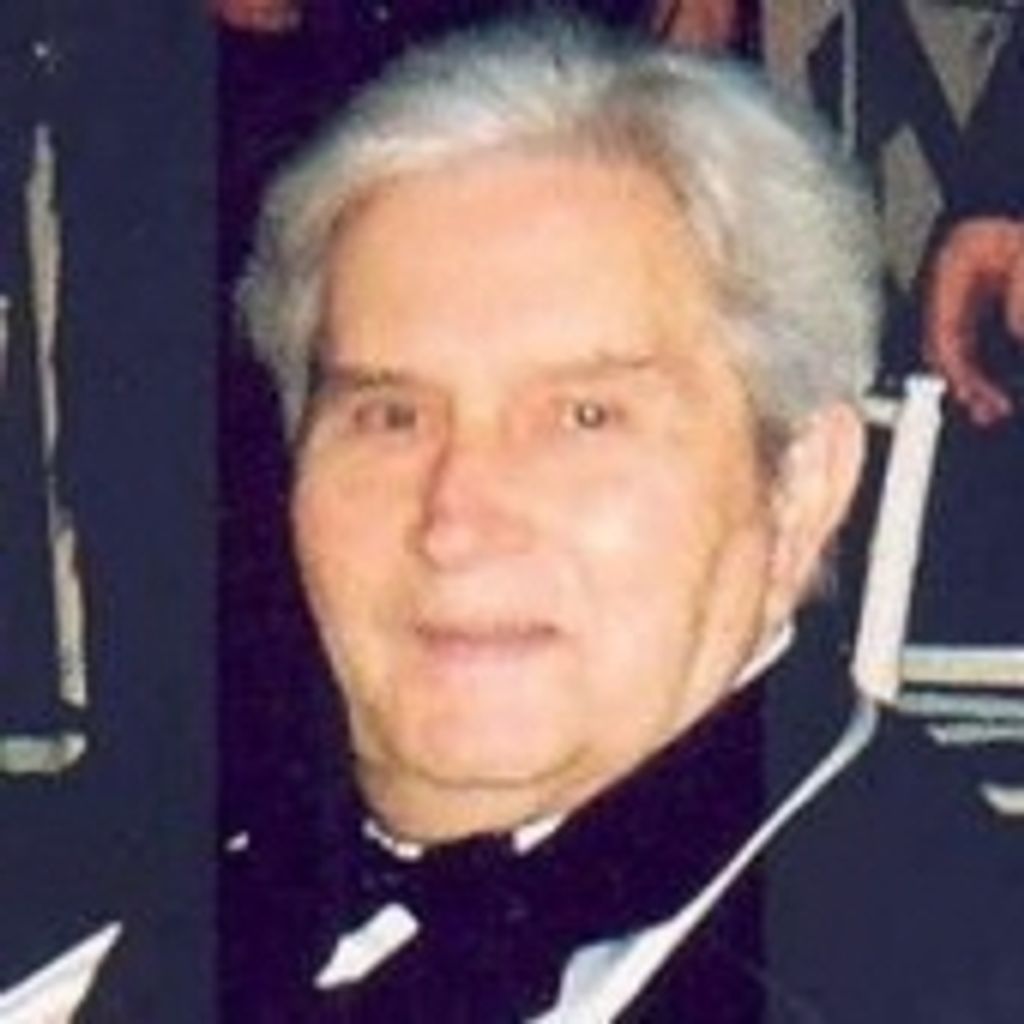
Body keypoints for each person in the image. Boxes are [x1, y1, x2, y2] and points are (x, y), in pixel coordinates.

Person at [83, 12, 1020, 1022]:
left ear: (801, 484)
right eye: (390, 415)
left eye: (584, 418)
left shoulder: (947, 972)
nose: (455, 518)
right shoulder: (139, 928)